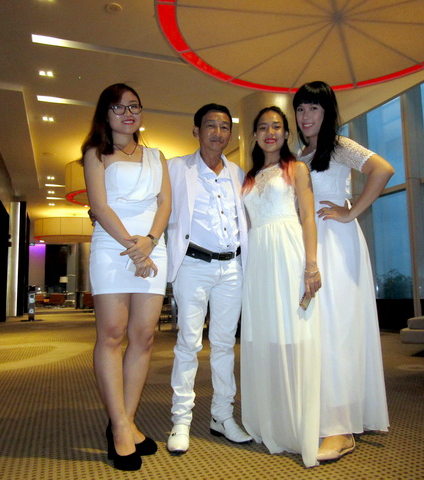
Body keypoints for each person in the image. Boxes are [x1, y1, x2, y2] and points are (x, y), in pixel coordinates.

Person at [293, 81, 393, 462]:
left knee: (338, 329)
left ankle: (341, 428)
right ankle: (324, 414)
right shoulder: (301, 154)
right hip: (311, 246)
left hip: (337, 242)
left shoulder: (338, 146)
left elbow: (382, 169)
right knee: (318, 330)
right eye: (301, 108)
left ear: (328, 112)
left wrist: (351, 212)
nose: (306, 116)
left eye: (314, 108)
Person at [82, 83, 171, 471]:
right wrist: (133, 247)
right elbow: (99, 207)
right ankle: (119, 427)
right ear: (106, 114)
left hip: (152, 245)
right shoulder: (95, 153)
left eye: (134, 106)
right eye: (118, 107)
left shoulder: (157, 155)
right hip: (112, 246)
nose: (128, 113)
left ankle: (127, 421)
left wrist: (149, 241)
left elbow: (165, 203)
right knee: (112, 334)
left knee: (144, 336)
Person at [166, 104, 252, 454]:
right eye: (211, 126)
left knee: (224, 344)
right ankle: (181, 420)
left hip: (232, 268)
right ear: (196, 131)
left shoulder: (238, 172)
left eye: (224, 127)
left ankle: (222, 415)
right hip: (193, 265)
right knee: (188, 343)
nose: (218, 133)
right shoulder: (176, 168)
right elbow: (155, 204)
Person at [240, 106, 322, 468]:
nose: (270, 132)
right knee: (265, 336)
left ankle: (297, 423)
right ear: (255, 135)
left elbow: (308, 217)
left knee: (292, 334)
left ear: (287, 134)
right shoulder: (249, 177)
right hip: (258, 258)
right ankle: (270, 419)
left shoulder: (296, 169)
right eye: (263, 127)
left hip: (288, 253)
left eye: (276, 127)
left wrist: (311, 264)